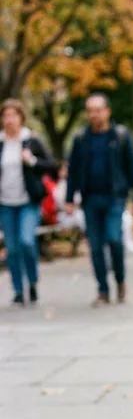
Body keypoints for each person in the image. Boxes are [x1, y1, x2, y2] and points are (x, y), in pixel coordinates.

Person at [66, 93, 133, 306]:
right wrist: (69, 198)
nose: (94, 115)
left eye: (98, 110)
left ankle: (120, 279)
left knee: (114, 239)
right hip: (90, 198)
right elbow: (73, 170)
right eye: (90, 110)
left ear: (107, 111)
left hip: (114, 197)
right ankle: (103, 289)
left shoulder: (120, 136)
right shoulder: (81, 139)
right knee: (96, 247)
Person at [0, 99, 58, 306]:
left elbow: (52, 166)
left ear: (21, 118)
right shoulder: (1, 143)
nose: (9, 120)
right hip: (5, 203)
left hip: (28, 201)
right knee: (12, 248)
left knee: (26, 242)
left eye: (13, 115)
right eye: (6, 116)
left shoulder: (32, 141)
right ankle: (17, 290)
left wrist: (32, 160)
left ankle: (32, 282)